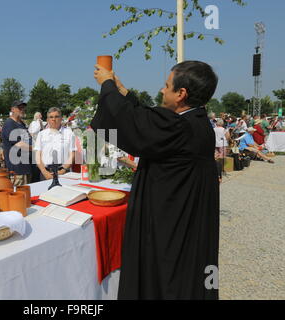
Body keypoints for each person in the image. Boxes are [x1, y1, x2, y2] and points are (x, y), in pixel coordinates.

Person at [92, 60, 220, 299]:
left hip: (167, 229)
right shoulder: (197, 123)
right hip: (185, 222)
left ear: (181, 94)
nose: (162, 90)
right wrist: (124, 92)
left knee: (165, 282)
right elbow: (149, 122)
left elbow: (134, 125)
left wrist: (107, 85)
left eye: (166, 85)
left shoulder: (180, 128)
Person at [34, 107, 76, 180]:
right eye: (51, 117)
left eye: (56, 116)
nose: (54, 119)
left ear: (61, 118)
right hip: (46, 173)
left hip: (64, 173)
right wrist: (45, 172)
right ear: (47, 120)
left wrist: (63, 171)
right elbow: (38, 156)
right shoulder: (41, 134)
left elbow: (72, 155)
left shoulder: (69, 133)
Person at [1, 100, 33, 186]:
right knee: (17, 196)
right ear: (12, 109)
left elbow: (29, 139)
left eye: (23, 108)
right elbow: (20, 144)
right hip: (16, 169)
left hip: (26, 166)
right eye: (19, 108)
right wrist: (36, 149)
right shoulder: (9, 124)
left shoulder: (21, 123)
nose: (22, 110)